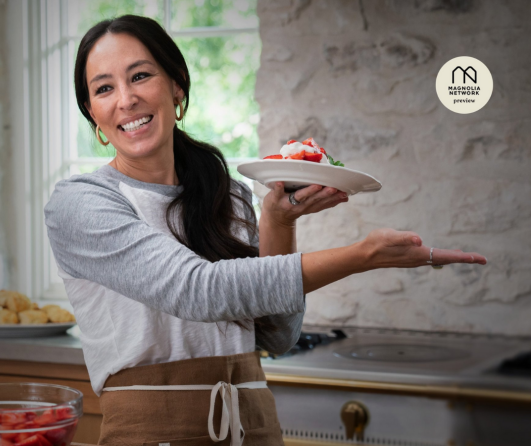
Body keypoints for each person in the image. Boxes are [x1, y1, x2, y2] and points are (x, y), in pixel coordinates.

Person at [44, 15, 486, 446]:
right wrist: (361, 256)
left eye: (140, 76)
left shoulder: (225, 193)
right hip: (150, 432)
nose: (126, 99)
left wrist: (277, 220)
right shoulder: (81, 203)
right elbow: (196, 290)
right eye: (104, 88)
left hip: (253, 426)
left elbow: (276, 336)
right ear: (92, 113)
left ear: (176, 85)